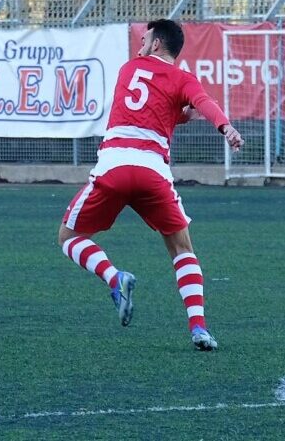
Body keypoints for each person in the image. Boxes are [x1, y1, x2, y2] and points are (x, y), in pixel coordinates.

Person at [58, 19, 243, 351]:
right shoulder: (183, 79)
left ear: (157, 44)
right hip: (152, 172)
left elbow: (145, 107)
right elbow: (202, 103)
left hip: (114, 166)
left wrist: (179, 113)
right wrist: (225, 126)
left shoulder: (128, 70)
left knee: (68, 237)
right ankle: (199, 328)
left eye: (145, 40)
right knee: (182, 249)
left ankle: (116, 279)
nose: (140, 45)